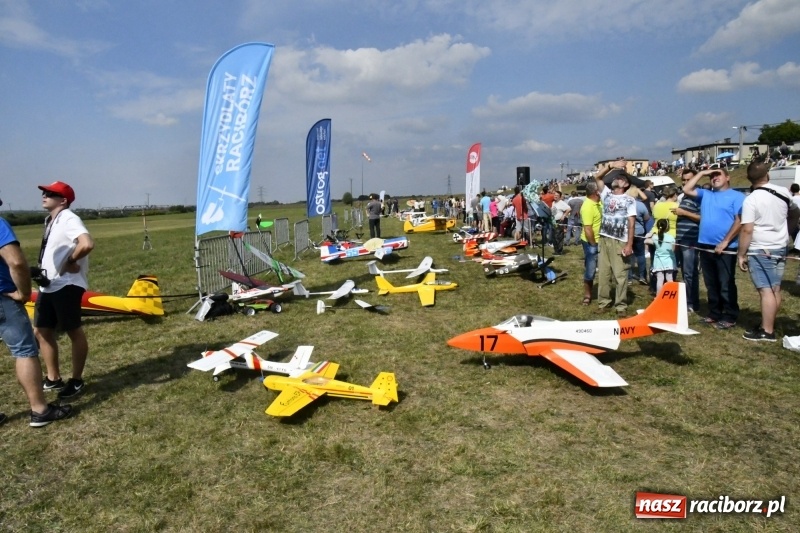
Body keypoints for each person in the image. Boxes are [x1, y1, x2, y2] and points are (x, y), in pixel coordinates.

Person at [1, 213, 73, 427]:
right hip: (3, 297)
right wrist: (23, 293)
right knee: (25, 350)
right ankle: (40, 411)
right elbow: (16, 262)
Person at [34, 181, 95, 399]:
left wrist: (71, 260)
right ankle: (53, 378)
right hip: (49, 285)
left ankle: (76, 380)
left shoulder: (69, 218)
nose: (44, 195)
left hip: (66, 284)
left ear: (63, 200)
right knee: (41, 331)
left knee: (73, 330)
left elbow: (86, 243)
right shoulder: (50, 220)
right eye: (44, 192)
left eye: (50, 193)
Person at [737, 161, 800, 341]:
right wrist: (787, 230)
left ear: (749, 178)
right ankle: (769, 323)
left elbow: (747, 230)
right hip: (780, 246)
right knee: (775, 288)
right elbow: (795, 213)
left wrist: (741, 254)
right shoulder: (783, 192)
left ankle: (767, 330)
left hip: (761, 248)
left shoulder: (751, 200)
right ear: (768, 175)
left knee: (766, 291)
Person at [682, 168, 745, 330]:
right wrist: (702, 173)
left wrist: (725, 241)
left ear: (728, 177)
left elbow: (740, 221)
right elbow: (686, 189)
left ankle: (730, 315)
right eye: (712, 176)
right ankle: (714, 312)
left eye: (718, 175)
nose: (714, 178)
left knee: (725, 283)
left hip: (725, 247)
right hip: (704, 245)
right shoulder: (706, 194)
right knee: (710, 283)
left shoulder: (737, 196)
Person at [595, 163, 637, 315]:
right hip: (604, 238)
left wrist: (629, 244)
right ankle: (603, 303)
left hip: (620, 241)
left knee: (620, 275)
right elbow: (598, 177)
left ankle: (621, 306)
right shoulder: (606, 194)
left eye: (620, 178)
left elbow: (631, 223)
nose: (616, 179)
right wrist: (611, 166)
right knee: (604, 274)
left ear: (625, 185)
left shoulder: (629, 200)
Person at [675, 169, 702, 313]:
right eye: (684, 180)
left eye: (689, 179)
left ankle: (691, 302)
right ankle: (688, 300)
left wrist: (684, 213)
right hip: (681, 239)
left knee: (690, 272)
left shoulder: (699, 197)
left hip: (691, 239)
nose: (686, 183)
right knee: (685, 271)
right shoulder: (684, 197)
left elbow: (703, 218)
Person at [580, 181, 602, 306]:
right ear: (595, 192)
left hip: (602, 240)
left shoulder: (598, 203)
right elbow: (588, 229)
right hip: (591, 242)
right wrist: (593, 245)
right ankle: (587, 295)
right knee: (591, 269)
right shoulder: (587, 206)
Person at [650, 219, 676, 294]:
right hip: (669, 261)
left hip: (658, 262)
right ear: (667, 227)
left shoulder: (655, 237)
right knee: (669, 279)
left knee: (660, 279)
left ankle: (658, 296)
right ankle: (670, 296)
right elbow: (673, 250)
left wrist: (650, 234)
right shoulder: (671, 238)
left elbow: (646, 241)